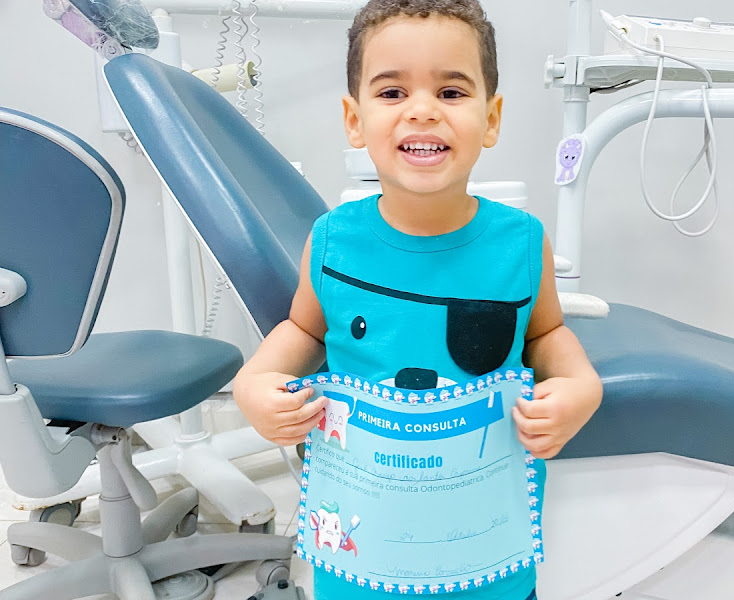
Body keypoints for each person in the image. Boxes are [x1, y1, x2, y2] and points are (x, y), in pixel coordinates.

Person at [233, 1, 603, 598]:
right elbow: (303, 331)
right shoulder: (331, 241)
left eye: (452, 92)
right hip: (362, 550)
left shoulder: (521, 242)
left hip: (486, 546)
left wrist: (582, 386)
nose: (423, 110)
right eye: (392, 92)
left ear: (491, 118)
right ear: (354, 120)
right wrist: (254, 383)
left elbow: (545, 334)